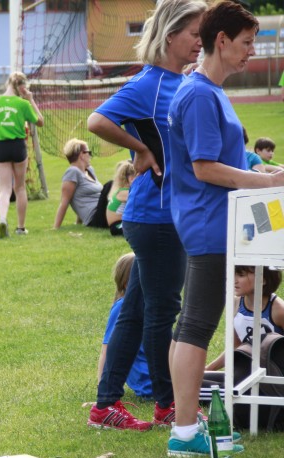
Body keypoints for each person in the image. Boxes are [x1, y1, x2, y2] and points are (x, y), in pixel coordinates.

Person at [167, 0, 284, 458]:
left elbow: (227, 160)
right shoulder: (199, 94)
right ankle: (184, 431)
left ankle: (185, 423)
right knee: (196, 326)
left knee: (191, 325)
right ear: (221, 40)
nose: (252, 50)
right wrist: (266, 183)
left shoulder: (209, 90)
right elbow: (205, 168)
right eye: (247, 42)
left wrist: (264, 171)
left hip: (219, 221)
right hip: (211, 224)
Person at [86, 0, 207, 432]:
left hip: (168, 214)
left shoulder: (185, 81)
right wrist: (139, 148)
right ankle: (167, 405)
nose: (200, 42)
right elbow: (97, 121)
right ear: (170, 35)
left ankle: (105, 406)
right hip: (154, 217)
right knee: (162, 312)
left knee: (136, 310)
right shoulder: (149, 84)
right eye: (194, 33)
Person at [0, 71, 44, 238]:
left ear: (8, 83)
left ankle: (3, 219)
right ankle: (21, 227)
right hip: (18, 146)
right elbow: (40, 121)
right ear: (22, 86)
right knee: (20, 187)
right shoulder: (22, 104)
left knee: (4, 189)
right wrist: (31, 100)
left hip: (1, 147)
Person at [94, 253, 153, 403]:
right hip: (151, 385)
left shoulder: (149, 305)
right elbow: (106, 351)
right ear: (128, 283)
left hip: (163, 380)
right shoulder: (123, 308)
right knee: (207, 387)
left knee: (207, 380)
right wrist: (103, 393)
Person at [206, 266, 284, 371]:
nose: (234, 280)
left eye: (241, 275)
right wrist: (207, 370)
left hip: (275, 373)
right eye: (233, 273)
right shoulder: (235, 303)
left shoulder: (279, 310)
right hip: (246, 369)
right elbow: (235, 348)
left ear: (263, 279)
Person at [52, 139, 110, 230]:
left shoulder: (89, 170)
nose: (90, 156)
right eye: (89, 152)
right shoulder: (72, 172)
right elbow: (65, 201)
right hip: (95, 217)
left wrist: (78, 222)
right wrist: (56, 227)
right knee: (110, 186)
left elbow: (82, 196)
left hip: (103, 212)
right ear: (81, 155)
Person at [105, 160, 137, 236]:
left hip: (117, 225)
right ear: (131, 179)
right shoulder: (125, 193)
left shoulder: (121, 191)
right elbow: (142, 202)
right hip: (117, 226)